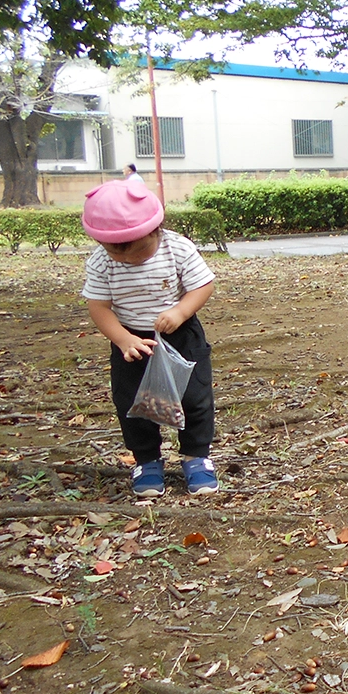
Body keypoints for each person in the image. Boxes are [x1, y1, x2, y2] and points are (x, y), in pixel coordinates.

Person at [81, 180, 219, 496]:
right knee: (132, 402)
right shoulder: (101, 262)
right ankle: (147, 460)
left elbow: (203, 285)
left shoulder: (177, 248)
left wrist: (182, 311)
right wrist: (122, 339)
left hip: (180, 335)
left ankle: (197, 457)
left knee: (195, 397)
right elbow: (99, 307)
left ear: (156, 228)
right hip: (132, 341)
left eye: (138, 249)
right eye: (116, 251)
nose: (128, 259)